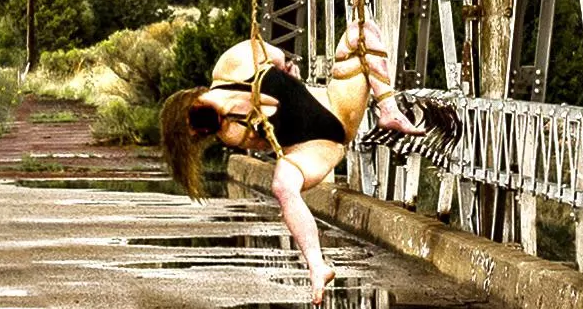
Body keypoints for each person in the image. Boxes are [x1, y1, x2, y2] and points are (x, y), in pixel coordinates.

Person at [158, 27, 433, 293]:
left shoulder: (231, 64)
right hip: (316, 144)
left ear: (194, 99)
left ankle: (389, 109)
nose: (207, 128)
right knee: (283, 186)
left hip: (336, 104)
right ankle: (317, 266)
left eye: (198, 120)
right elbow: (276, 144)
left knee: (361, 32)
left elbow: (276, 55)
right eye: (201, 132)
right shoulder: (230, 132)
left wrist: (286, 70)